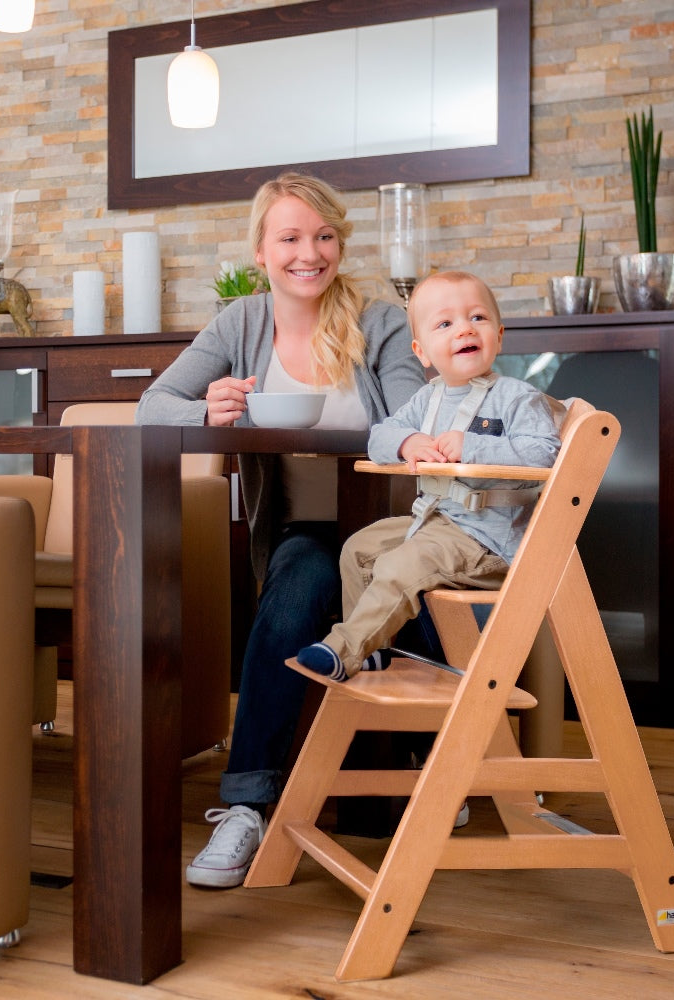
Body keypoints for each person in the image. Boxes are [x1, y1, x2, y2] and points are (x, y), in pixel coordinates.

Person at [135, 173, 426, 889]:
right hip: (309, 527)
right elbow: (153, 405)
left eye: (324, 236)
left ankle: (435, 769)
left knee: (406, 600)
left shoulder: (381, 319)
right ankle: (247, 806)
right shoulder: (240, 324)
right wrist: (209, 410)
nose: (310, 252)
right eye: (291, 238)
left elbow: (417, 422)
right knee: (295, 590)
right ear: (261, 252)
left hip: (393, 527)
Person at [296, 270, 561, 682]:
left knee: (404, 562)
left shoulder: (516, 397)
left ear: (499, 335)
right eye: (445, 323)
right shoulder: (428, 397)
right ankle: (374, 651)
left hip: (489, 540)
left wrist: (471, 447)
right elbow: (379, 436)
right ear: (421, 352)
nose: (464, 330)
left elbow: (544, 454)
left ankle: (343, 648)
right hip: (438, 523)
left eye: (477, 318)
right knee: (359, 549)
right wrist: (408, 442)